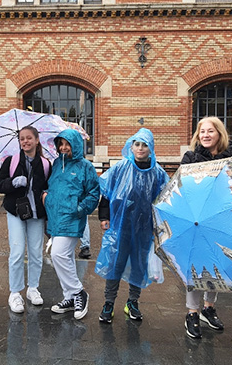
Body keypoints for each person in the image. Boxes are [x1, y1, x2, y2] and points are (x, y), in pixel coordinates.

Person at [95, 128, 169, 323]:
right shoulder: (121, 167)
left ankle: (133, 302)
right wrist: (104, 216)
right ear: (131, 146)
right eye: (137, 144)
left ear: (151, 148)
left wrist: (159, 226)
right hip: (121, 225)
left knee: (138, 265)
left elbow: (164, 200)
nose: (140, 148)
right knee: (115, 263)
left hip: (144, 227)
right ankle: (109, 302)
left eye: (144, 145)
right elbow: (107, 193)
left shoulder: (157, 172)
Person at [181, 116, 232, 339]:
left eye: (210, 131)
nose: (205, 135)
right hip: (197, 218)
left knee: (217, 264)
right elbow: (183, 187)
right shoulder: (190, 158)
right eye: (202, 131)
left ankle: (209, 308)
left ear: (219, 134)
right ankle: (192, 312)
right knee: (196, 266)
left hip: (222, 218)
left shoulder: (231, 158)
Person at [43, 129, 100, 320]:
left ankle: (78, 292)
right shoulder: (56, 163)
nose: (63, 147)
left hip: (73, 218)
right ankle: (69, 297)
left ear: (75, 144)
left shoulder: (85, 166)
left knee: (58, 254)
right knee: (64, 257)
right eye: (61, 144)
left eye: (67, 144)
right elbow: (52, 186)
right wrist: (46, 196)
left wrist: (80, 208)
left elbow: (93, 192)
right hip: (56, 217)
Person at [0, 126, 52, 313]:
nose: (25, 141)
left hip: (36, 213)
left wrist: (45, 194)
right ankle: (15, 292)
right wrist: (13, 182)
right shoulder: (11, 161)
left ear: (36, 140)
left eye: (29, 138)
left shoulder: (45, 164)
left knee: (36, 252)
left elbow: (49, 186)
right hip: (16, 212)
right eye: (22, 139)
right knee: (17, 252)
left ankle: (33, 288)